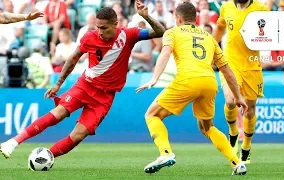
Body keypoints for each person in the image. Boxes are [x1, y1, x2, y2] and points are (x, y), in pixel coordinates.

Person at [0, 0, 165, 159]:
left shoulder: (129, 35)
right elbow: (72, 59)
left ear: (115, 24)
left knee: (78, 135)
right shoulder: (90, 37)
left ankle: (46, 156)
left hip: (105, 97)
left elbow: (160, 32)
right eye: (98, 27)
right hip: (85, 85)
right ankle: (12, 143)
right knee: (57, 114)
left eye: (104, 28)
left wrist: (146, 16)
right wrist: (58, 84)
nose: (100, 32)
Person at [136, 2, 248, 175]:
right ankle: (236, 162)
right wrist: (238, 97)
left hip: (187, 79)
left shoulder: (172, 32)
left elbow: (165, 53)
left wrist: (154, 78)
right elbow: (227, 70)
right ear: (195, 19)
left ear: (178, 18)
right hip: (209, 82)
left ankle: (165, 153)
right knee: (207, 128)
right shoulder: (209, 37)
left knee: (152, 115)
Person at [213, 0, 269, 164]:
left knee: (250, 109)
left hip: (252, 65)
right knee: (230, 100)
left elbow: (271, 34)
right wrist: (211, 46)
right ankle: (233, 132)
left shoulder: (261, 9)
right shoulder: (226, 7)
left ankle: (246, 146)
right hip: (230, 63)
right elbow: (220, 27)